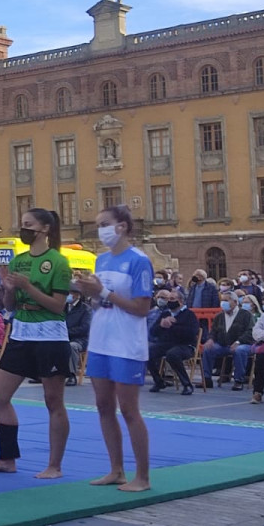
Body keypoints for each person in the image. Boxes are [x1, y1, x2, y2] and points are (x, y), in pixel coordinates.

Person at [0, 208, 71, 477]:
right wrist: (9, 290)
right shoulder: (19, 261)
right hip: (21, 332)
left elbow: (58, 305)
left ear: (44, 229)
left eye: (29, 225)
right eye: (22, 224)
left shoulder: (58, 262)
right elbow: (10, 305)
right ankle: (7, 458)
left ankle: (54, 465)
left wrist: (29, 287)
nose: (24, 229)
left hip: (50, 335)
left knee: (53, 400)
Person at [73, 205, 152, 492]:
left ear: (122, 226)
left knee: (129, 409)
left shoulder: (138, 261)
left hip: (127, 343)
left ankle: (142, 476)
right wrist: (89, 293)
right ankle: (116, 469)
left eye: (105, 223)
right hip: (101, 340)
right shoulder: (101, 261)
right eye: (98, 224)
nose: (101, 229)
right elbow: (100, 303)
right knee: (103, 405)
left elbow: (142, 308)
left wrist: (104, 293)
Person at [146, 288, 197, 395]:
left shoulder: (189, 314)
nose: (169, 301)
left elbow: (191, 333)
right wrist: (161, 325)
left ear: (180, 301)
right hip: (166, 344)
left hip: (185, 345)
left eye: (172, 299)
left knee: (172, 354)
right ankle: (158, 381)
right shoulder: (165, 314)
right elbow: (153, 332)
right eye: (168, 299)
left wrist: (173, 325)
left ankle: (187, 384)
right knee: (147, 352)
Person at [200, 291, 255, 390]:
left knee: (240, 350)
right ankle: (206, 379)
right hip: (223, 345)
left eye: (226, 300)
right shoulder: (219, 316)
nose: (223, 303)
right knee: (208, 349)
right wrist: (211, 339)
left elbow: (250, 331)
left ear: (235, 302)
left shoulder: (246, 315)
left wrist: (239, 341)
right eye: (222, 300)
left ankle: (239, 380)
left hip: (242, 344)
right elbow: (213, 331)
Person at [64, 290, 91, 386]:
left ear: (77, 294)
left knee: (72, 346)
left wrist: (67, 332)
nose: (68, 295)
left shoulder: (86, 309)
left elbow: (85, 328)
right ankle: (45, 374)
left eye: (70, 293)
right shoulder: (63, 307)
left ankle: (71, 375)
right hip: (62, 337)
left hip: (80, 340)